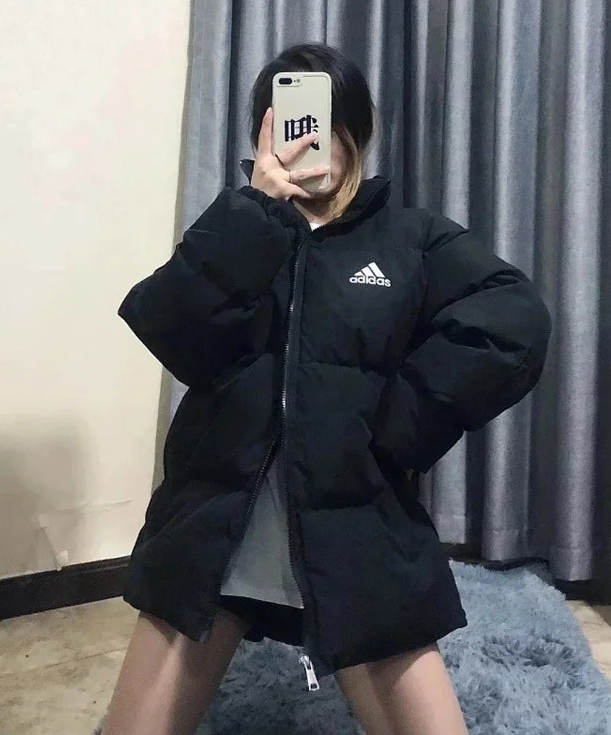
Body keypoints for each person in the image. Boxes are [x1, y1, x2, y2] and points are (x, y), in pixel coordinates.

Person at [101, 43, 551, 735]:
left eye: (329, 121)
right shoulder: (239, 229)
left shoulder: (409, 239)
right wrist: (255, 209)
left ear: (356, 131)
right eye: (292, 120)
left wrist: (402, 427)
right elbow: (170, 327)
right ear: (265, 130)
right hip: (216, 533)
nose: (312, 139)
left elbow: (514, 320)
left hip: (358, 532)